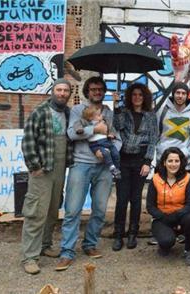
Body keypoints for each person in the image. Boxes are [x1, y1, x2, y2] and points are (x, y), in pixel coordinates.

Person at [56, 76, 121, 271]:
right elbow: (71, 133)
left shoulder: (109, 111)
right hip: (81, 164)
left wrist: (109, 150)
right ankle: (67, 252)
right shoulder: (77, 110)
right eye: (93, 89)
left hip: (104, 167)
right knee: (73, 210)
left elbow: (116, 136)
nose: (97, 92)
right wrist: (95, 128)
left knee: (100, 210)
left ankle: (90, 244)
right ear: (87, 91)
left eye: (100, 89)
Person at [20, 79, 74, 274]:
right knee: (36, 212)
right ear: (52, 91)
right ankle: (29, 257)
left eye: (65, 90)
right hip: (42, 170)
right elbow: (28, 140)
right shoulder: (40, 111)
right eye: (58, 90)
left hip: (60, 168)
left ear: (69, 93)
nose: (62, 93)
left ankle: (45, 245)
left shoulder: (68, 113)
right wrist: (34, 166)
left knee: (52, 209)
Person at [111, 83, 158, 251]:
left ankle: (133, 233)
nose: (137, 97)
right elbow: (117, 126)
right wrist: (116, 105)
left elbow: (153, 139)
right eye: (134, 94)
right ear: (130, 97)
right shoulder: (124, 113)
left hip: (140, 160)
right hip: (123, 160)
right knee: (122, 198)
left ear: (145, 97)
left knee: (136, 199)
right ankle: (118, 234)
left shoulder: (151, 116)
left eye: (140, 94)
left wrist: (147, 162)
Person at [147, 147, 190, 265]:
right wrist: (163, 217)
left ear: (181, 163)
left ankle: (188, 251)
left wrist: (175, 217)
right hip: (161, 218)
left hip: (181, 216)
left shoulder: (187, 178)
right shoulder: (156, 179)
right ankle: (167, 240)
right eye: (170, 161)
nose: (173, 164)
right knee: (167, 241)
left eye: (177, 161)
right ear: (164, 162)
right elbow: (150, 206)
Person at [74, 105, 121, 179]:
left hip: (106, 141)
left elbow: (111, 128)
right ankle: (112, 168)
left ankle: (117, 168)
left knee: (115, 153)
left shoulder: (103, 121)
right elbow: (77, 124)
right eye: (99, 115)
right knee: (105, 154)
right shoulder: (86, 122)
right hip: (95, 144)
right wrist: (79, 129)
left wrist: (111, 134)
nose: (101, 116)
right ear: (91, 117)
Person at [157, 81, 190, 162]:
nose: (180, 96)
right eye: (178, 93)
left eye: (183, 93)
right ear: (173, 94)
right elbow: (156, 134)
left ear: (187, 95)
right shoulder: (162, 111)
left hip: (185, 159)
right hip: (164, 158)